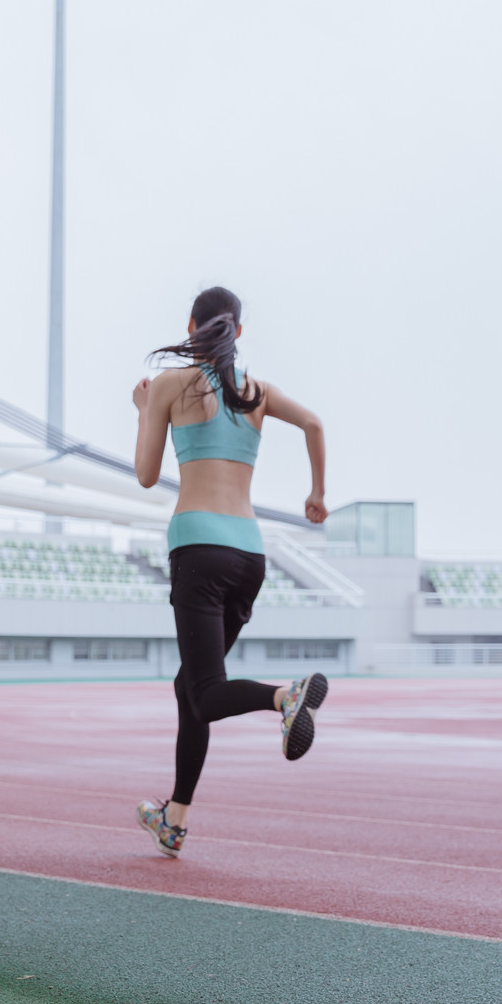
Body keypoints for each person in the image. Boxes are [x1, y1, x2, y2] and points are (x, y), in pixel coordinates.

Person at [131, 286, 328, 858]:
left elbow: (146, 474)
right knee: (190, 689)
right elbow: (314, 424)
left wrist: (144, 411)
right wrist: (317, 494)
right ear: (237, 331)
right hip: (250, 557)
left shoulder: (169, 385)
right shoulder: (256, 391)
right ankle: (174, 818)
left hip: (199, 550)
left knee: (207, 692)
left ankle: (285, 696)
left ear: (190, 325)